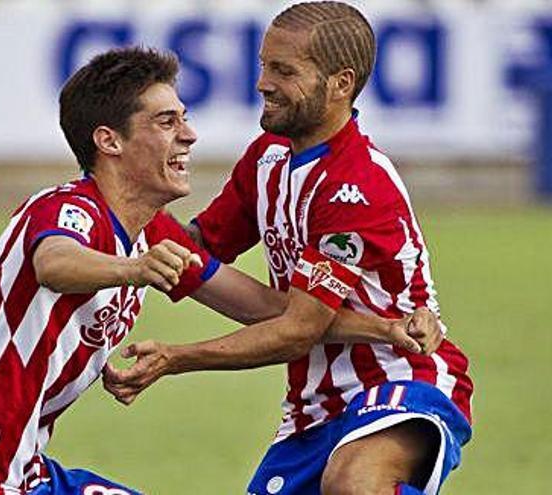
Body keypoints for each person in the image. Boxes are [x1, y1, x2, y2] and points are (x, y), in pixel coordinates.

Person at [0, 45, 427, 495]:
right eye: (167, 122)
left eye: (185, 118)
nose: (188, 136)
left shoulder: (155, 234)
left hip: (25, 475)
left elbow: (269, 310)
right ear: (110, 141)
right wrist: (134, 268)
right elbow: (54, 263)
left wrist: (384, 328)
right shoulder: (65, 210)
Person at [102, 3, 474, 495]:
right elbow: (197, 254)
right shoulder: (268, 159)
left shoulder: (356, 185)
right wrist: (122, 198)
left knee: (354, 483)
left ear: (341, 84)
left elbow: (298, 330)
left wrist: (176, 356)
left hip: (402, 379)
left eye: (284, 70)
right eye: (263, 64)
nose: (262, 82)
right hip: (314, 407)